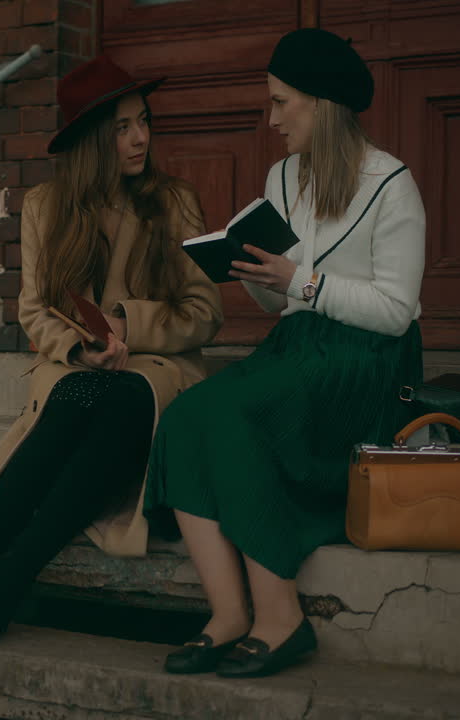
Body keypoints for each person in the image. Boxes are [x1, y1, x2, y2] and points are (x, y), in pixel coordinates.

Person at [0, 54, 224, 646]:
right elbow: (34, 309)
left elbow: (206, 314)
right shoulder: (45, 207)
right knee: (77, 397)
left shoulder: (173, 201)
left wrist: (127, 322)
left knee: (119, 399)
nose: (140, 138)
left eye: (144, 122)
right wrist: (82, 349)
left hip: (155, 372)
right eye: (122, 127)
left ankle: (0, 581)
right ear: (91, 139)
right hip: (80, 368)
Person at [146, 28, 427, 678]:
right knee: (191, 415)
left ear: (320, 103)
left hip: (367, 363)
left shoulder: (392, 185)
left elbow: (394, 311)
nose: (271, 119)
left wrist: (300, 281)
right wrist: (251, 271)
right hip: (298, 346)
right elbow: (284, 303)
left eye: (281, 102)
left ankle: (282, 618)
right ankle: (228, 615)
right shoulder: (283, 175)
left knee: (240, 414)